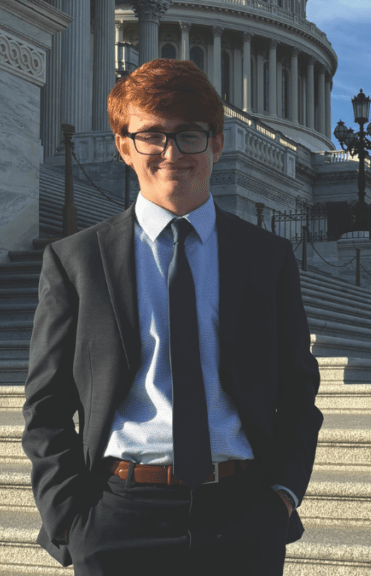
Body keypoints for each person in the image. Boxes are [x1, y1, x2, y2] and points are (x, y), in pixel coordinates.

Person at [22, 58, 322, 575]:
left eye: (189, 135)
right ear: (123, 146)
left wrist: (282, 494)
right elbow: (46, 405)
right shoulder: (76, 261)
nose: (170, 153)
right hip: (119, 514)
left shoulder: (267, 257)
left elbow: (298, 390)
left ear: (217, 143)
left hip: (243, 513)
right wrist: (71, 521)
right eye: (151, 135)